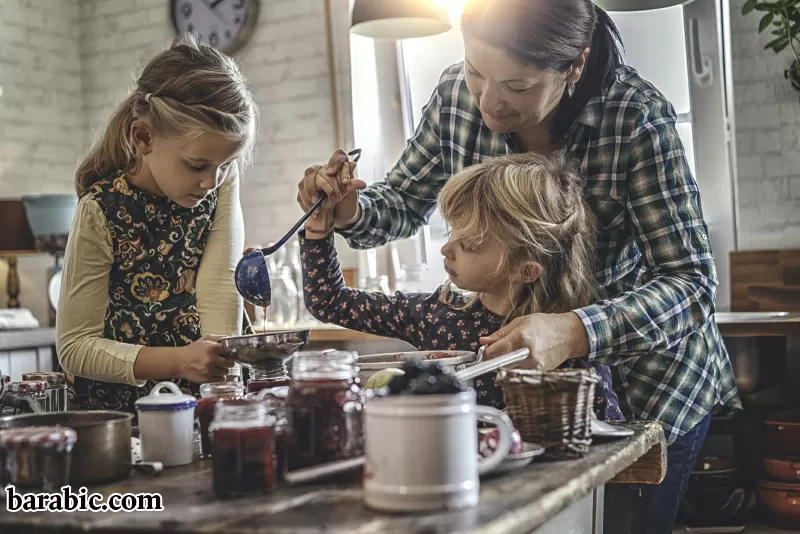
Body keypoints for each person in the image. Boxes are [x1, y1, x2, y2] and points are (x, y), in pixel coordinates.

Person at [297, 1, 739, 532]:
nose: (490, 101)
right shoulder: (454, 99)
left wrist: (575, 331)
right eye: (477, 71)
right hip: (529, 415)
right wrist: (348, 210)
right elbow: (398, 202)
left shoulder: (635, 117)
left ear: (573, 66)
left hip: (649, 386)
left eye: (518, 86)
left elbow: (691, 284)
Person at [301, 152, 623, 422]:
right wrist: (319, 226)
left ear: (526, 270)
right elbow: (328, 300)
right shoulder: (435, 314)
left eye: (468, 243)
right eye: (453, 232)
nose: (446, 249)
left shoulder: (566, 345)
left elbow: (606, 440)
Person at [56, 33, 257, 412]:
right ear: (144, 137)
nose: (211, 182)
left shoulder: (216, 185)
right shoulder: (101, 210)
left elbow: (219, 299)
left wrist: (223, 393)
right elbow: (75, 348)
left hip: (204, 406)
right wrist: (179, 360)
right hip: (121, 418)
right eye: (197, 165)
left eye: (226, 166)